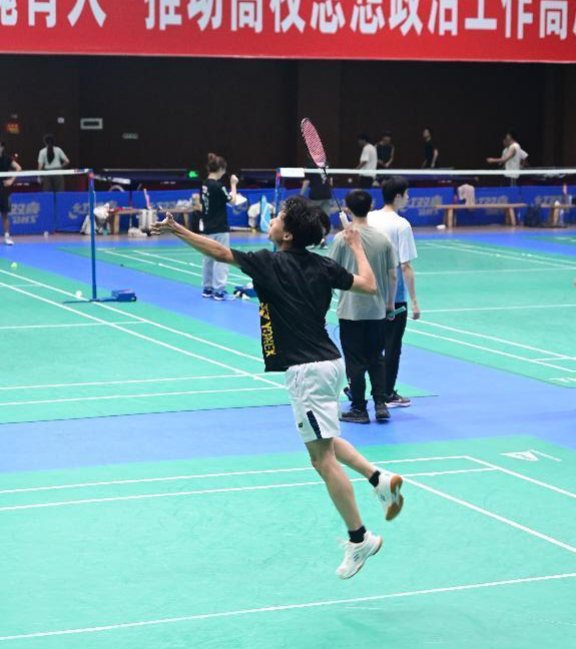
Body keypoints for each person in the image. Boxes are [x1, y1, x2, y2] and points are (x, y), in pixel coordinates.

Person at [152, 195, 405, 580]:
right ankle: (379, 480)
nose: (271, 220)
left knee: (321, 460)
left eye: (278, 218)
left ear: (286, 235)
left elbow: (219, 252)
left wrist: (176, 229)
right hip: (330, 364)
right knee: (326, 438)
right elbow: (370, 285)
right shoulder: (323, 265)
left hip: (306, 371)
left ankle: (360, 539)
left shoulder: (268, 263)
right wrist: (355, 246)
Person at [329, 190, 397, 424]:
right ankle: (380, 404)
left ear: (347, 209)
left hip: (350, 312)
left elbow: (330, 272)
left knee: (355, 361)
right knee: (377, 358)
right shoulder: (383, 239)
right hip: (377, 311)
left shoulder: (341, 239)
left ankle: (359, 408)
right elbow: (392, 275)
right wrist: (389, 304)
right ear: (371, 207)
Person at [368, 176, 421, 408]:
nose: (408, 198)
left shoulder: (369, 217)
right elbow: (405, 266)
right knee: (391, 345)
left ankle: (354, 385)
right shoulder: (402, 225)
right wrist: (415, 301)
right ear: (398, 196)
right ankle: (387, 393)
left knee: (368, 343)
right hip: (394, 296)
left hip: (368, 291)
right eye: (406, 194)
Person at [199, 153, 238, 301]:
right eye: (224, 170)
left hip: (208, 227)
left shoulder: (204, 185)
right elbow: (232, 201)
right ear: (221, 168)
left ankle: (207, 288)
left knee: (208, 258)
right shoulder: (218, 186)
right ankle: (219, 291)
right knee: (221, 258)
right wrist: (233, 184)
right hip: (220, 228)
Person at [300, 157, 332, 248]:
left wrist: (301, 194)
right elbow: (331, 181)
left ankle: (313, 242)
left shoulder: (310, 165)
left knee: (313, 219)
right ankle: (324, 242)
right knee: (325, 219)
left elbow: (307, 181)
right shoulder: (327, 163)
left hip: (315, 196)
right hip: (327, 195)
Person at [0, 142, 22, 246]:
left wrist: (11, 180)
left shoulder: (7, 159)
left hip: (3, 188)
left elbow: (19, 168)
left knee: (5, 214)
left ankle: (7, 237)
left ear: (2, 148)